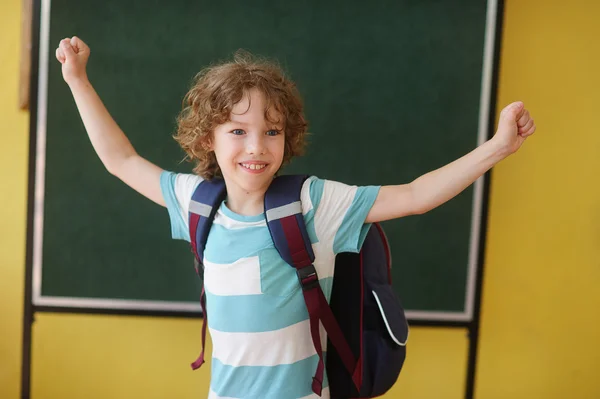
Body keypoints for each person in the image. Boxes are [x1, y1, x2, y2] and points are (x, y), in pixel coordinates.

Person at [55, 36, 536, 399]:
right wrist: (77, 78)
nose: (256, 147)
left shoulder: (314, 205)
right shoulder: (197, 203)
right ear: (209, 139)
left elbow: (414, 195)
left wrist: (496, 148)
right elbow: (121, 160)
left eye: (272, 131)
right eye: (238, 130)